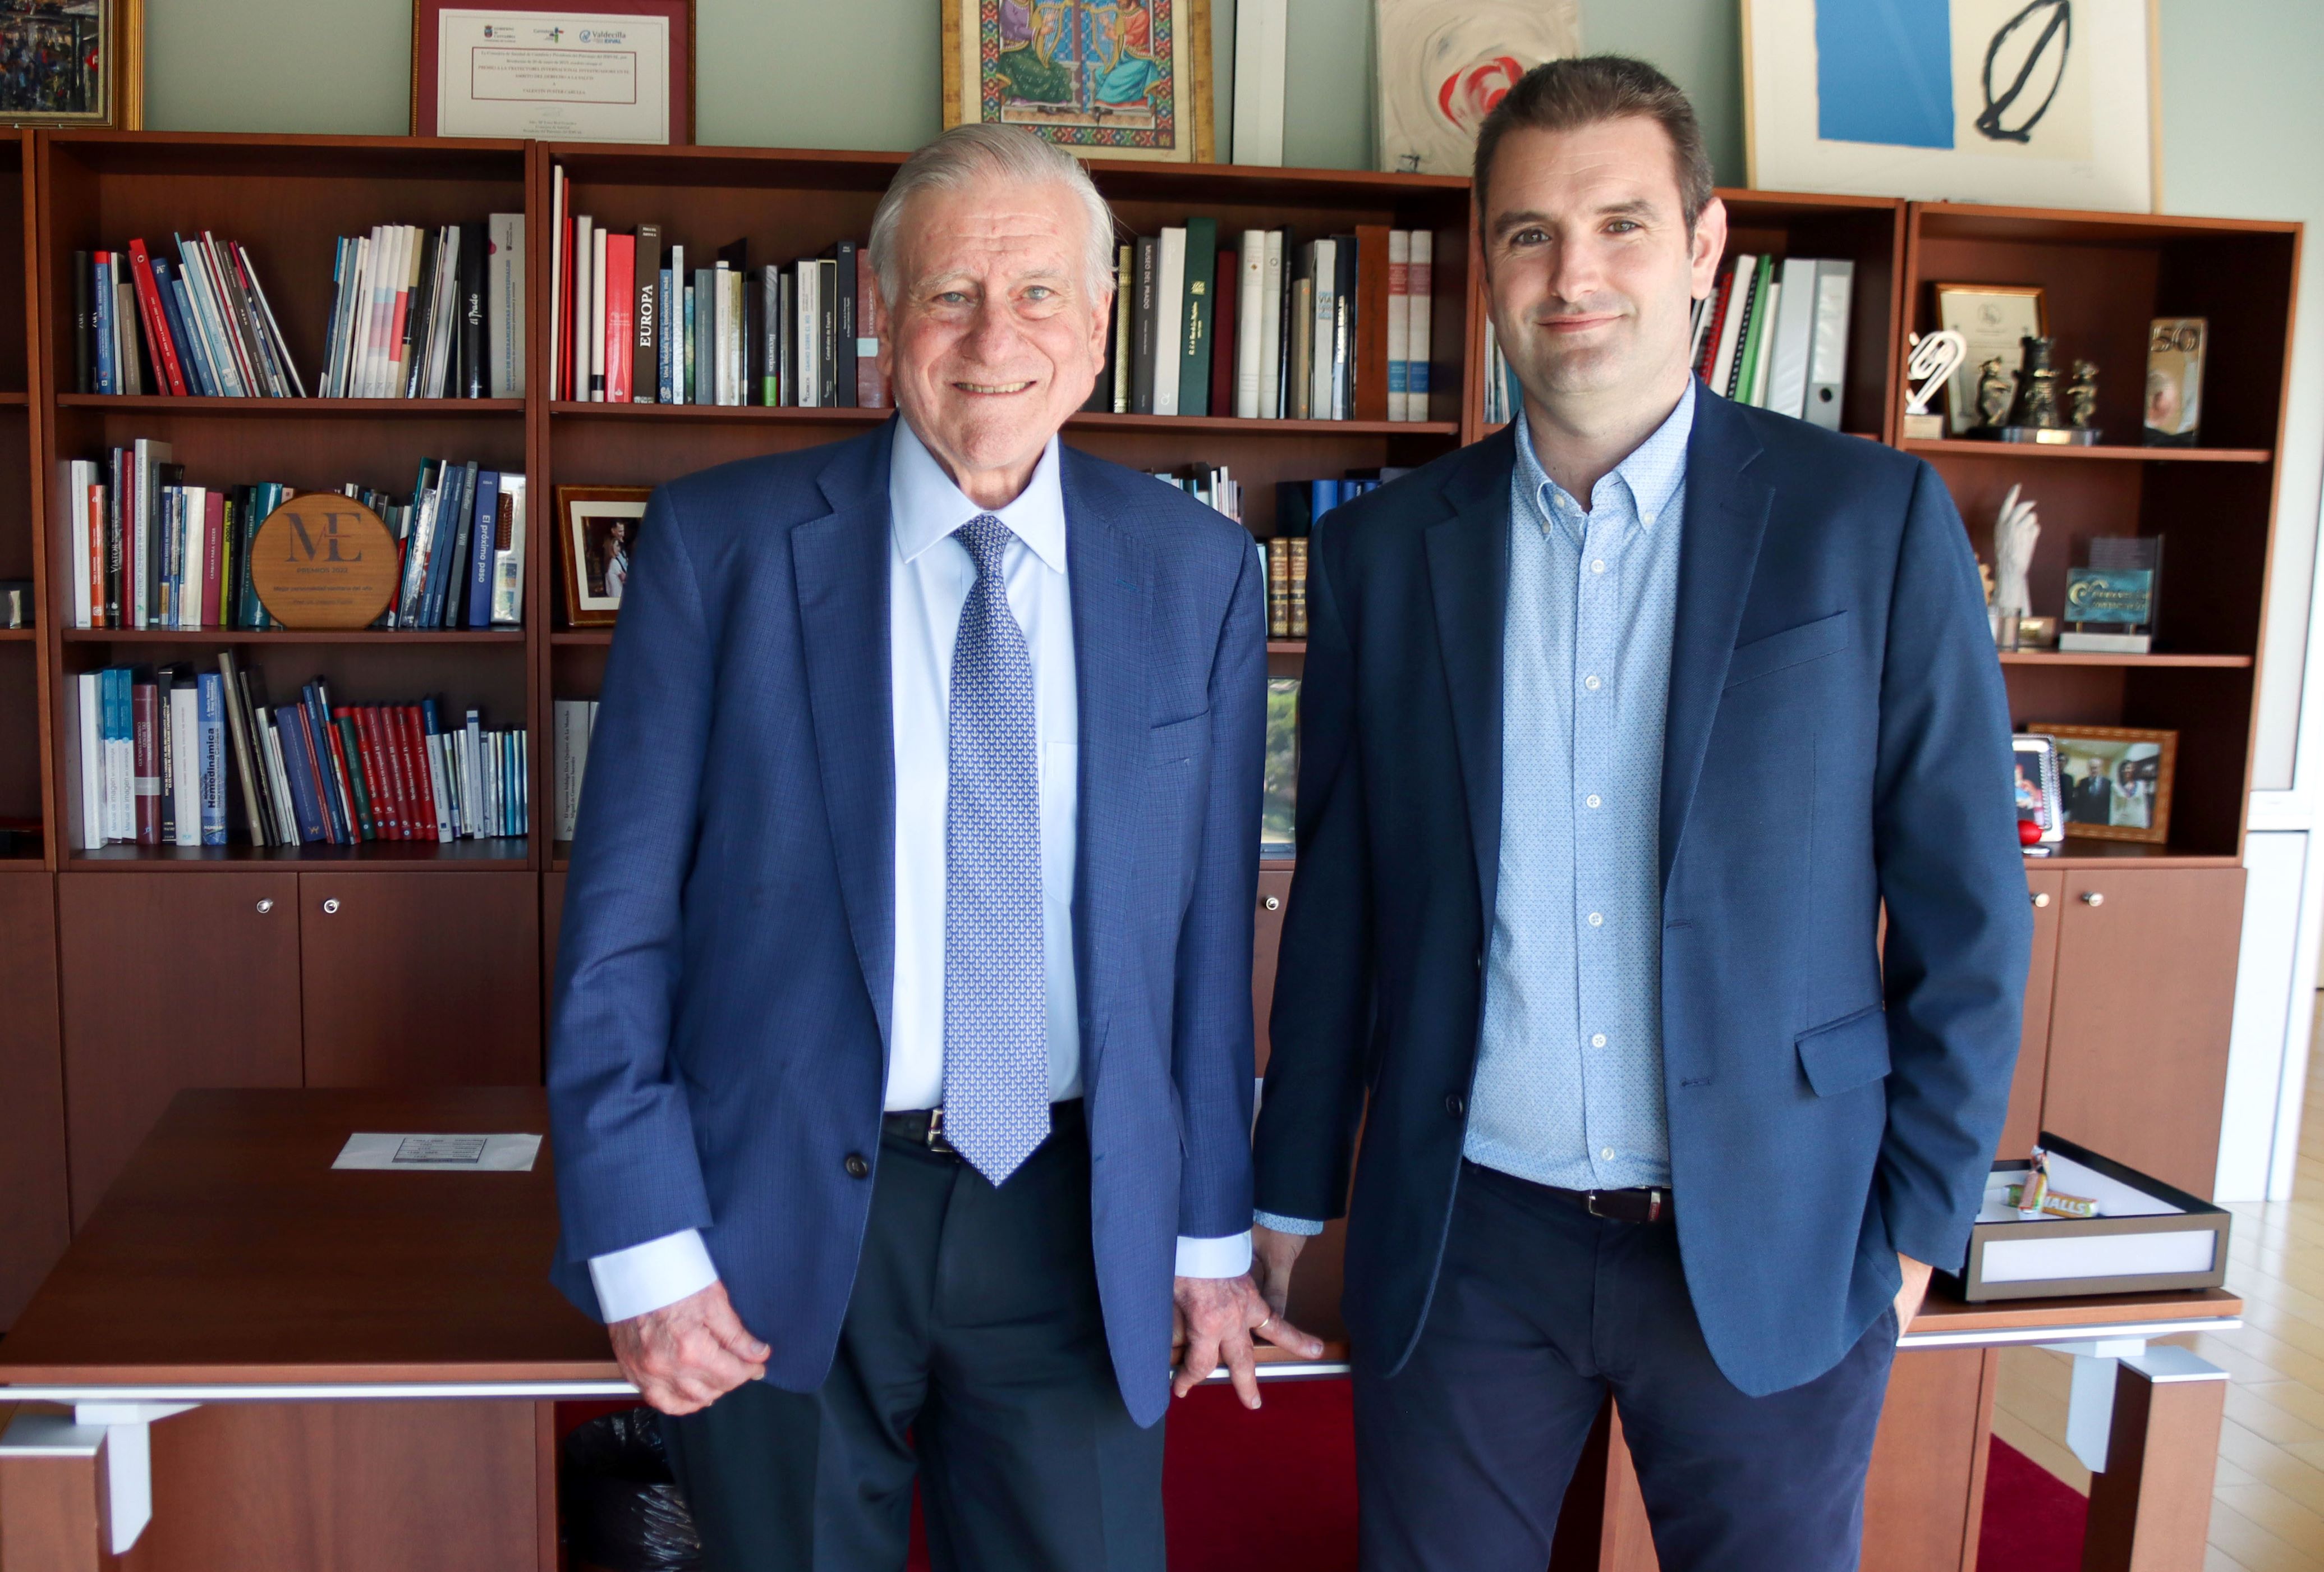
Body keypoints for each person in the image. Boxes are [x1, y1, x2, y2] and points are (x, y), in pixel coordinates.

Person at [1249, 56, 2030, 1571]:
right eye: (1531, 232)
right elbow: (1339, 900)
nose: (1575, 271)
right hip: (1469, 1241)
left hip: (1779, 1231)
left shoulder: (1866, 523)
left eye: (1619, 221)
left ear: (1705, 247)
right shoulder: (1387, 555)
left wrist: (1922, 1224)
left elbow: (1967, 907)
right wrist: (1287, 1191)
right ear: (1485, 264)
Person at [546, 122, 1319, 1572]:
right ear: (878, 311)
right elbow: (617, 930)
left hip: (1075, 1222)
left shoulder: (1196, 570)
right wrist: (641, 1241)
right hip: (774, 1213)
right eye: (951, 291)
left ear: (1097, 329)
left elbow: (1209, 948)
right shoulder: (722, 546)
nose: (992, 336)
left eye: (1037, 295)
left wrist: (1210, 1239)